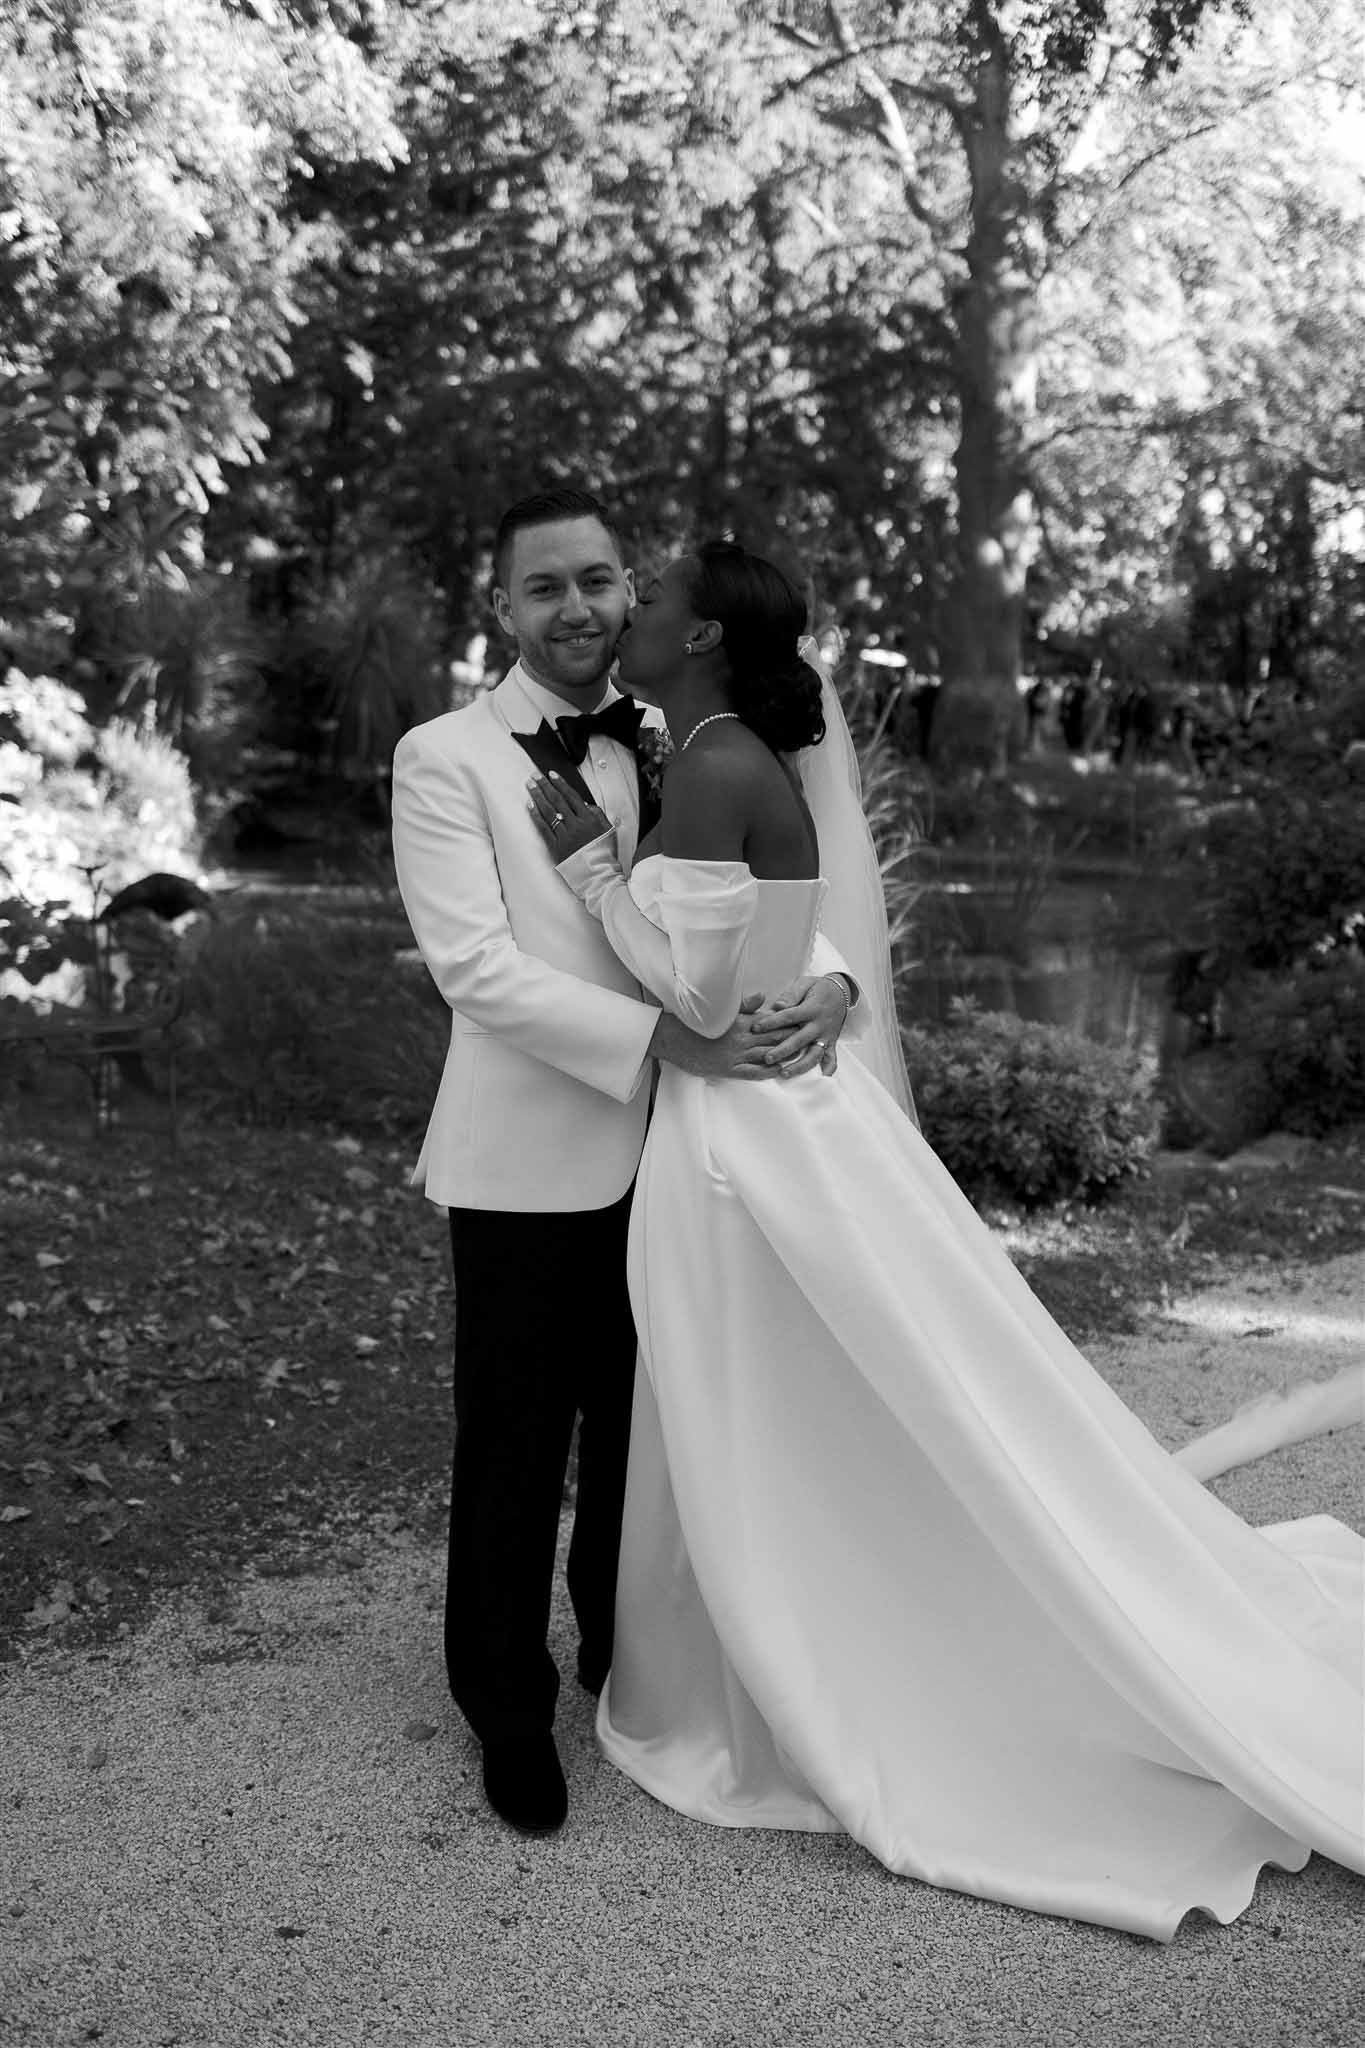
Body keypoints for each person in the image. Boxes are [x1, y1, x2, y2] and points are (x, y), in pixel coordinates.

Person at [527, 537, 1364, 1941]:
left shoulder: (719, 767)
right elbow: (797, 947)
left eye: (653, 597)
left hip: (741, 1139)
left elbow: (704, 997)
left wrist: (593, 876)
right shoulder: (729, 752)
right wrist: (834, 989)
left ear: (710, 638)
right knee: (815, 1383)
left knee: (746, 1390)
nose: (630, 612)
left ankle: (799, 1647)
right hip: (795, 1115)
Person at [390, 491, 860, 1839]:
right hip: (528, 1152)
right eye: (546, 589)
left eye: (601, 580)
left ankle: (623, 1662)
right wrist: (667, 1042)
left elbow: (763, 902)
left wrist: (829, 993)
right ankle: (503, 1702)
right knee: (514, 1437)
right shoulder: (445, 757)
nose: (582, 608)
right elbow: (477, 972)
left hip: (681, 1153)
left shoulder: (678, 735)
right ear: (502, 608)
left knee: (646, 1430)